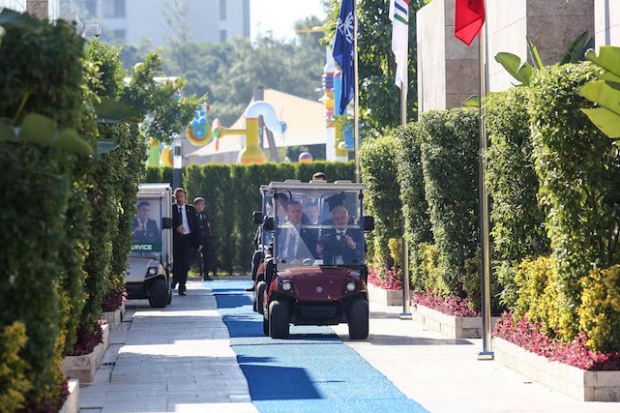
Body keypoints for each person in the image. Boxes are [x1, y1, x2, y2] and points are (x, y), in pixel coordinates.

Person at [172, 188, 201, 296]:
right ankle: (175, 278)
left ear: (185, 197)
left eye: (181, 196)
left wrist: (199, 242)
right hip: (175, 239)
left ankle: (182, 286)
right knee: (176, 262)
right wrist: (176, 228)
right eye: (177, 197)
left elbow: (196, 226)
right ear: (175, 198)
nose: (180, 199)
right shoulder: (171, 209)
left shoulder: (190, 209)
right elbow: (166, 224)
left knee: (185, 263)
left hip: (187, 239)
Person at [193, 197, 213, 282]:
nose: (203, 206)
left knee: (206, 257)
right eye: (202, 204)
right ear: (197, 205)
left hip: (205, 239)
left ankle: (206, 275)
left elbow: (206, 226)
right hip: (196, 239)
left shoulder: (204, 214)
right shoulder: (192, 215)